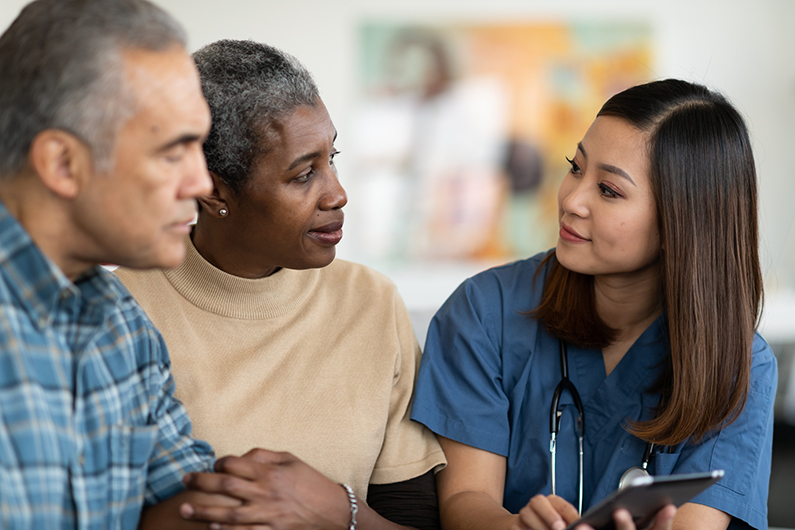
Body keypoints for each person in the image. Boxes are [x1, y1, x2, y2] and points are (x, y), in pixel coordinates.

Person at [410, 79, 776, 530]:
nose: (571, 200)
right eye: (575, 167)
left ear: (683, 222)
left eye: (608, 190)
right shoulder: (485, 313)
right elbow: (466, 500)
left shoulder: (740, 365)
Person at [115, 39, 446, 529]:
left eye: (331, 157)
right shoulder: (119, 311)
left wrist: (340, 513)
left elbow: (413, 521)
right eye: (302, 175)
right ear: (213, 190)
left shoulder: (371, 303)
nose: (337, 193)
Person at [0, 0, 242, 528]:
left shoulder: (121, 324)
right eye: (174, 151)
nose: (201, 184)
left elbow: (181, 504)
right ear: (64, 163)